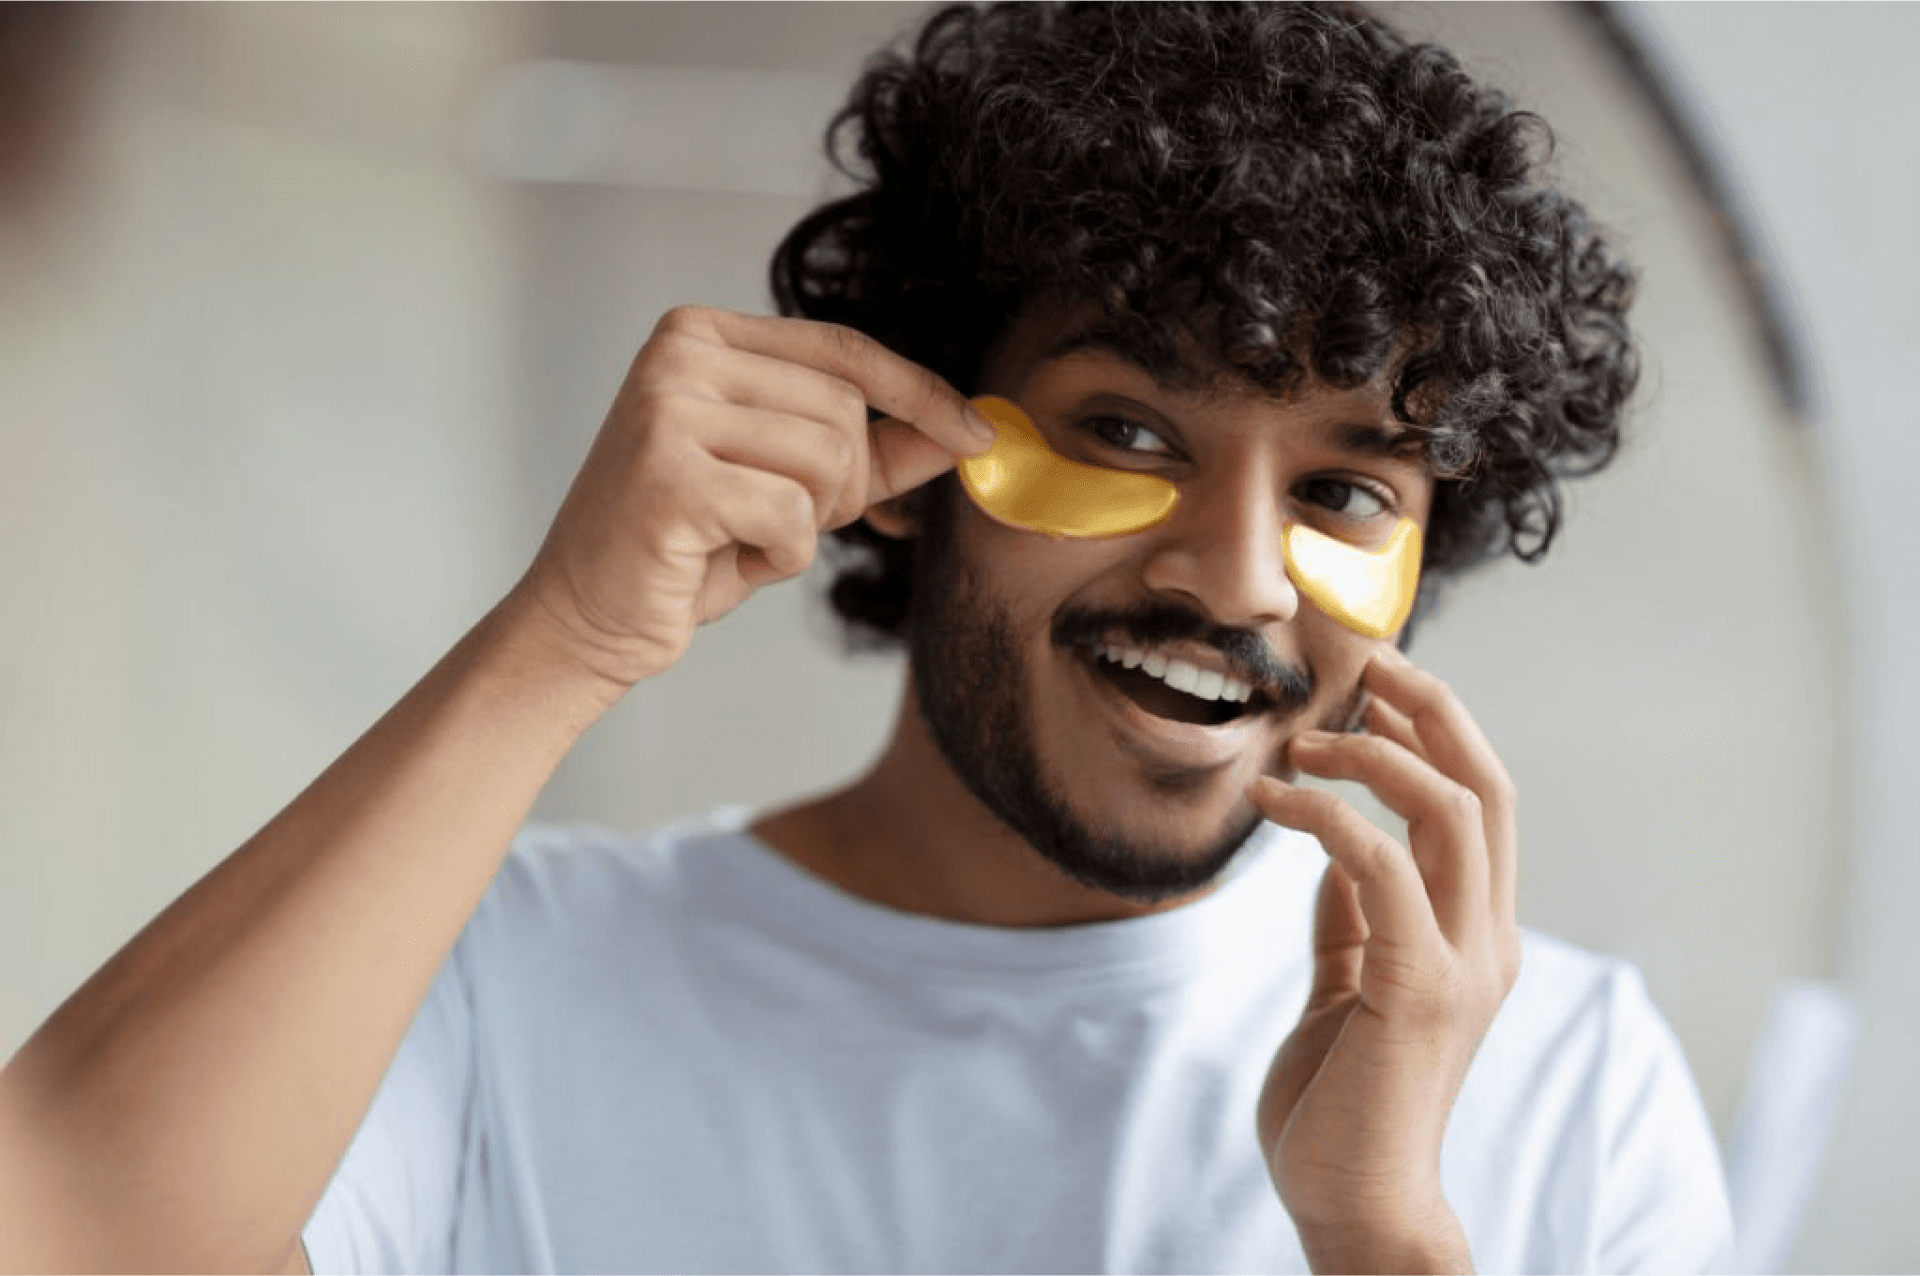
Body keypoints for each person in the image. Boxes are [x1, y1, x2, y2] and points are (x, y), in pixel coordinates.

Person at [0, 0, 1734, 1272]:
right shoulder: (489, 981)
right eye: (1131, 433)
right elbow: (68, 1231)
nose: (1242, 578)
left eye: (1345, 495)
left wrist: (1383, 1235)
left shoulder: (1568, 1078)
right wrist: (568, 635)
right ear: (903, 454)